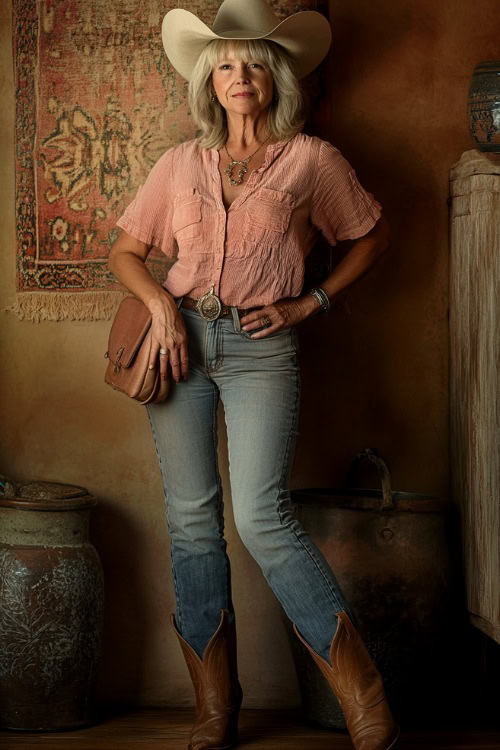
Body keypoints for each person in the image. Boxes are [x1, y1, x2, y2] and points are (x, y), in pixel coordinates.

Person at [108, 1, 399, 748]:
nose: (240, 76)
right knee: (192, 523)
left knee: (262, 519)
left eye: (254, 63)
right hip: (177, 348)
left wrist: (312, 303)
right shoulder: (179, 163)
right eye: (226, 64)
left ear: (277, 77)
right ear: (211, 79)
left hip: (263, 346)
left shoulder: (313, 160)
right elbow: (126, 253)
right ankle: (215, 708)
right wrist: (162, 309)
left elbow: (372, 233)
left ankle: (365, 701)